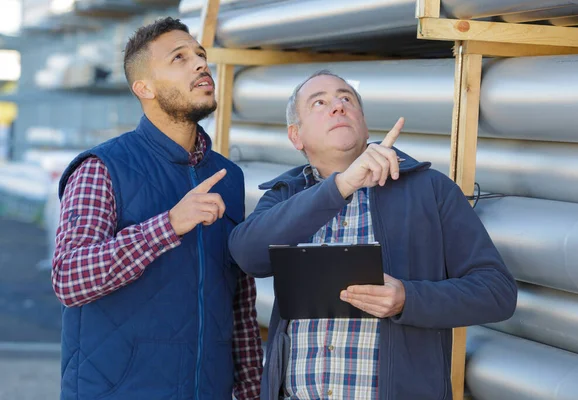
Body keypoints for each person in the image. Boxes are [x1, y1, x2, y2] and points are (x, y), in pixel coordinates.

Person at [228, 70, 518, 400]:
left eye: (346, 99)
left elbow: (497, 292)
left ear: (364, 125)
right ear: (297, 137)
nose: (337, 107)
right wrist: (340, 186)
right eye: (319, 103)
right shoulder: (286, 195)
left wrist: (408, 298)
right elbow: (247, 254)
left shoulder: (430, 191)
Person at [51, 17, 262, 400]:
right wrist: (168, 225)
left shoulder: (228, 177)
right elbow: (69, 277)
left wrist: (251, 390)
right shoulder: (102, 167)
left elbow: (241, 304)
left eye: (200, 54)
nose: (200, 64)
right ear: (143, 87)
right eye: (179, 58)